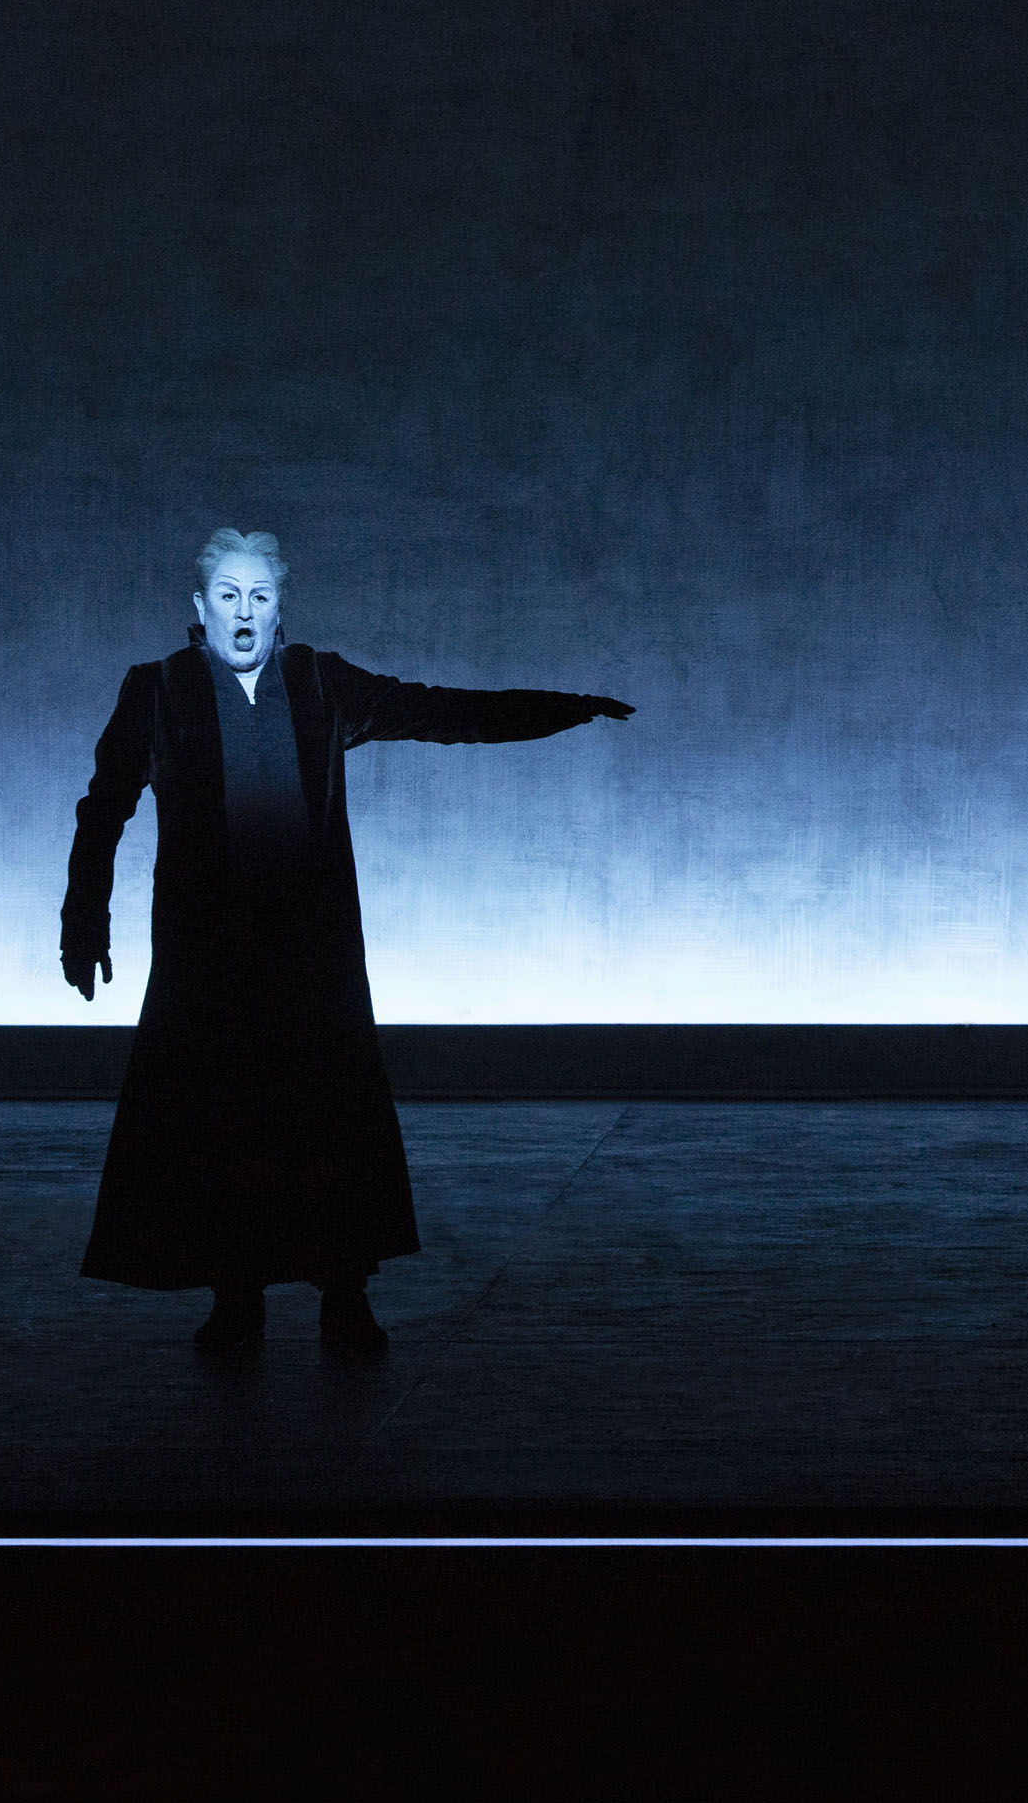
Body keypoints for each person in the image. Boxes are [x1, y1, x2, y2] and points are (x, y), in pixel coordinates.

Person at [61, 528, 632, 1356]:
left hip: (310, 949)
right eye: (228, 595)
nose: (244, 611)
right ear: (200, 607)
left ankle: (345, 1295)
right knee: (222, 1120)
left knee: (327, 1118)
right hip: (209, 955)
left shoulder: (319, 683)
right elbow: (105, 805)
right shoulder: (157, 690)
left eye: (259, 595)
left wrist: (562, 707)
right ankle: (236, 1297)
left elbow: (443, 712)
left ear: (279, 608)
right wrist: (84, 919)